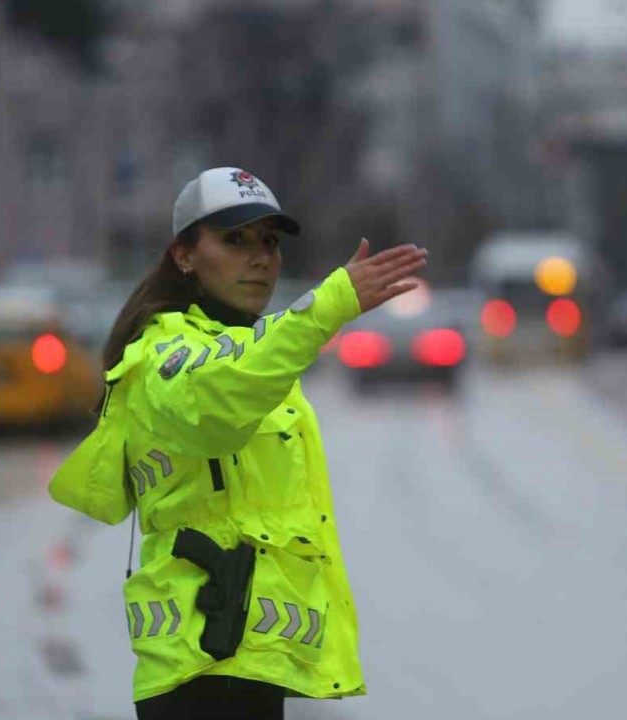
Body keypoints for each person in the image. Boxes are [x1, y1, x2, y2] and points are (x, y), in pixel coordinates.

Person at [49, 167, 427, 718]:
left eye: (269, 242)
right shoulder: (164, 353)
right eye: (234, 240)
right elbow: (219, 399)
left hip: (245, 660)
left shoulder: (255, 348)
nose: (260, 258)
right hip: (202, 666)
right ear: (184, 255)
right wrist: (327, 307)